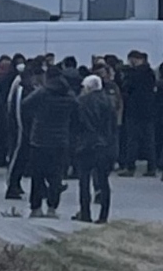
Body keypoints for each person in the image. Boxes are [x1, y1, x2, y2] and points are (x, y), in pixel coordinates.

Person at [22, 66, 79, 218]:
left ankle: (36, 207)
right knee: (56, 176)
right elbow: (77, 113)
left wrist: (36, 116)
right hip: (60, 141)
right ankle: (52, 208)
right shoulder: (70, 95)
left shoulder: (42, 93)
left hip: (39, 140)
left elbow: (25, 104)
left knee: (38, 175)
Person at [73, 75, 118, 223]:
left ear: (87, 88)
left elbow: (76, 125)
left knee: (84, 181)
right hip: (105, 145)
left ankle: (85, 213)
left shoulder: (80, 102)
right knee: (103, 181)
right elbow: (112, 126)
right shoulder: (109, 102)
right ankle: (103, 215)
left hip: (85, 145)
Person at [5, 60, 43, 200]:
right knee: (17, 156)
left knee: (25, 158)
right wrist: (20, 127)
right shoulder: (21, 87)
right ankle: (11, 185)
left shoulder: (32, 86)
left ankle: (17, 184)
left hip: (29, 128)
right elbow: (15, 108)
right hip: (21, 128)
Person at [119, 51, 158, 177]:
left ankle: (130, 167)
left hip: (134, 110)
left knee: (132, 140)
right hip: (148, 110)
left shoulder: (133, 74)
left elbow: (126, 89)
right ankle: (152, 167)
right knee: (149, 140)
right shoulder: (150, 73)